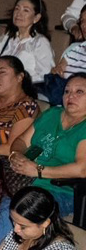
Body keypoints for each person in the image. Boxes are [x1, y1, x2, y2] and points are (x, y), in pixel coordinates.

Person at [10, 73, 86, 216]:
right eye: (67, 91)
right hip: (24, 179)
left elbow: (82, 169)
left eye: (79, 92)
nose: (70, 96)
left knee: (20, 210)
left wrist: (38, 171)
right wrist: (17, 155)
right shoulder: (52, 113)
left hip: (58, 191)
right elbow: (21, 141)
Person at [0, 0, 54, 85]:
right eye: (17, 9)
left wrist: (16, 80)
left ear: (36, 18)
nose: (19, 14)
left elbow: (45, 75)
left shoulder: (40, 42)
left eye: (25, 10)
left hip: (23, 88)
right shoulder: (7, 37)